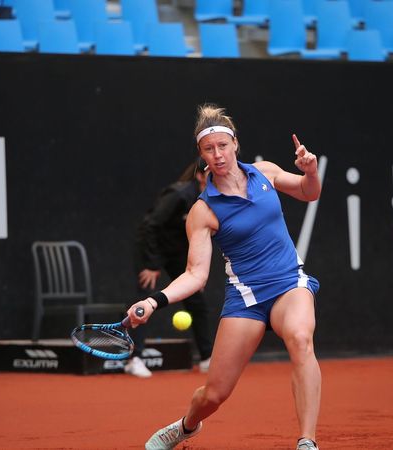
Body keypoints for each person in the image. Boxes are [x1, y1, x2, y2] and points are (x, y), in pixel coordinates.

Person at [126, 104, 323, 450]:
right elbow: (195, 275)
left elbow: (309, 193)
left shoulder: (265, 173)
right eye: (208, 149)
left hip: (289, 283)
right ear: (201, 154)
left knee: (300, 338)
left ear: (235, 145)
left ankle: (307, 441)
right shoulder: (202, 211)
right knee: (215, 394)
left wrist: (310, 172)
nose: (217, 154)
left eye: (222, 146)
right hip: (246, 298)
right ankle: (186, 425)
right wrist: (154, 301)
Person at [124, 159, 215, 379]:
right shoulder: (179, 194)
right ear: (200, 176)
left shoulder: (211, 199)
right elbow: (150, 225)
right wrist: (151, 264)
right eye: (210, 172)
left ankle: (206, 358)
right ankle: (134, 359)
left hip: (177, 253)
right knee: (143, 301)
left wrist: (195, 272)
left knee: (196, 300)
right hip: (152, 248)